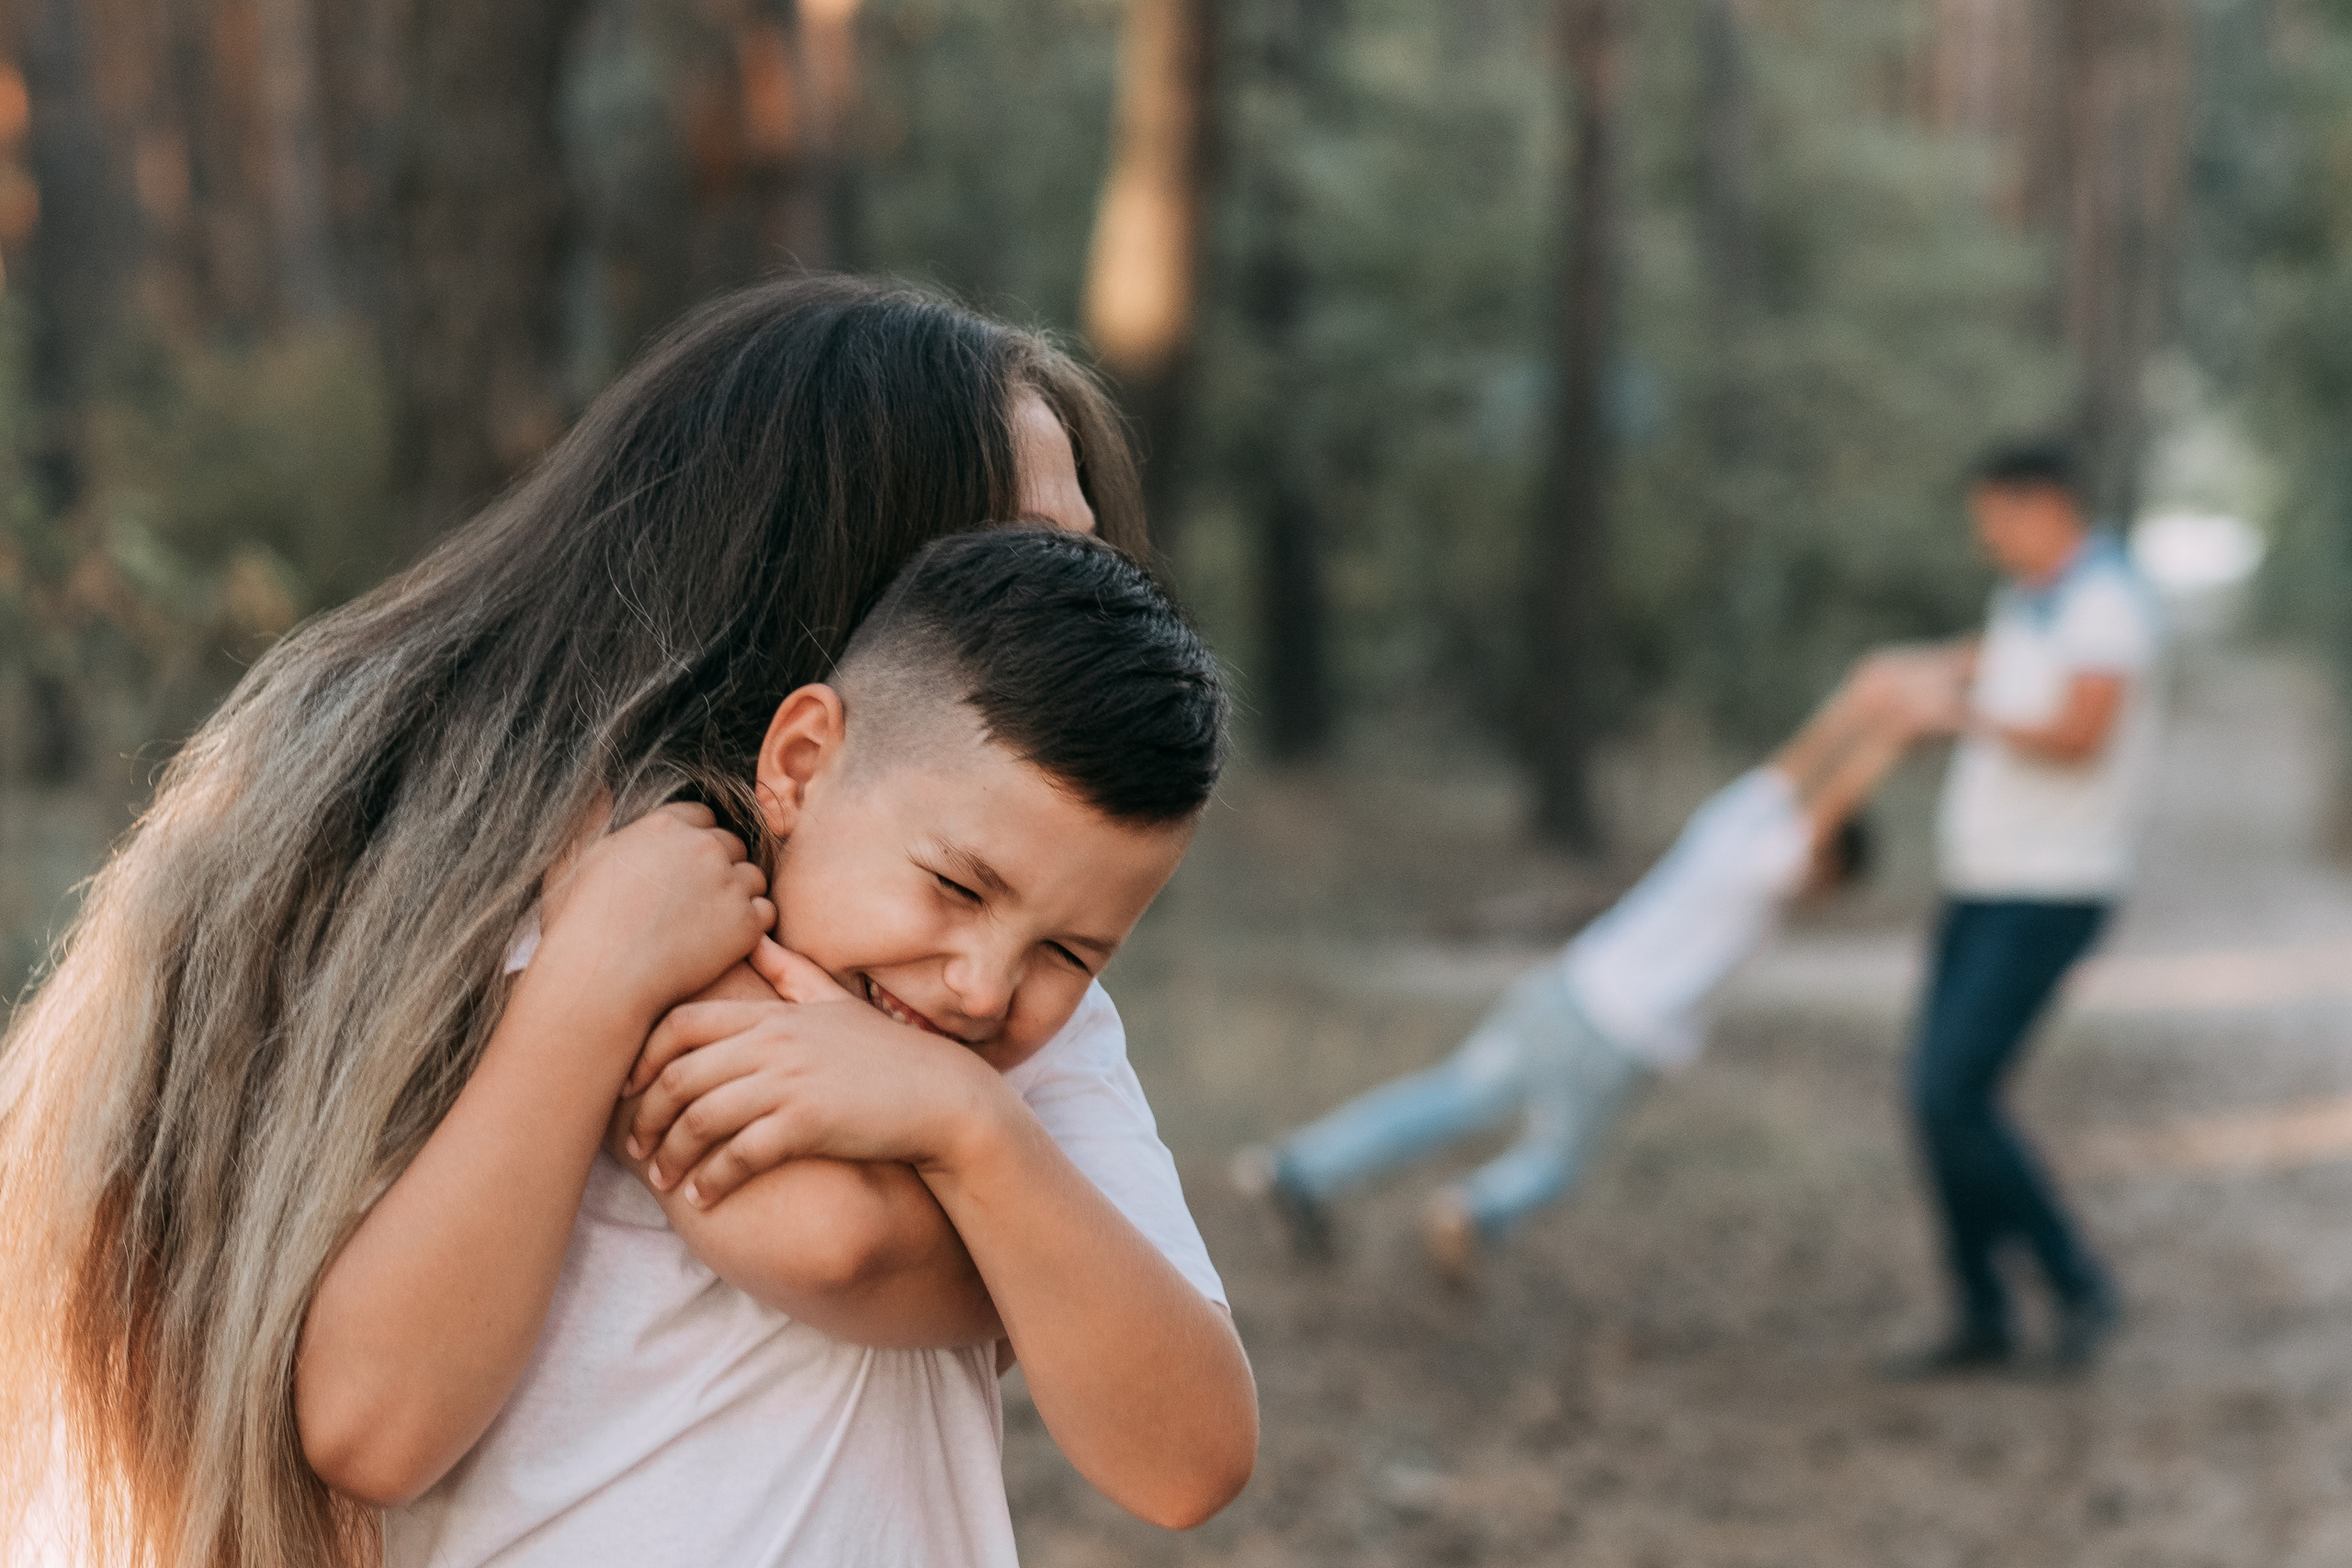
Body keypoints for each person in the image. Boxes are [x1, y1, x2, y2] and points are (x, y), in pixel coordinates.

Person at [0, 278, 1250, 1568]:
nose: (1085, 603)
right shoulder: (615, 884)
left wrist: (973, 1141)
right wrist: (1037, 1261)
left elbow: (1186, 1441)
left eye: (1092, 553)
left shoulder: (1003, 999)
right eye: (1028, 550)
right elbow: (831, 1230)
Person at [359, 527, 1242, 1566]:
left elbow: (1193, 1463)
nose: (983, 988)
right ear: (800, 762)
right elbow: (826, 1238)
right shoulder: (629, 917)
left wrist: (969, 1126)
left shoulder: (1039, 1065)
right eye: (957, 888)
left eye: (1070, 953)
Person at [1233, 656, 1943, 1282]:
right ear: (1825, 867)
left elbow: (1802, 761)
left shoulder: (1737, 818)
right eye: (1830, 887)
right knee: (1555, 1160)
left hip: (1563, 987)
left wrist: (1857, 705)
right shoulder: (1771, 873)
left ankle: (1301, 1167)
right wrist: (1893, 738)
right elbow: (1832, 805)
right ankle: (1473, 1209)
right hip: (1618, 1033)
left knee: (1450, 1093)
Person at [1890, 442, 2164, 1376]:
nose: (1985, 538)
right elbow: (1999, 666)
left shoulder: (2105, 605)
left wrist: (1957, 718)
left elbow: (2082, 734)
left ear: (2039, 505)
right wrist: (1923, 677)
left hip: (2052, 888)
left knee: (1951, 1093)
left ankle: (2075, 1282)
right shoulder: (2030, 599)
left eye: (1992, 519)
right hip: (1984, 879)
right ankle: (1981, 1310)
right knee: (1934, 1100)